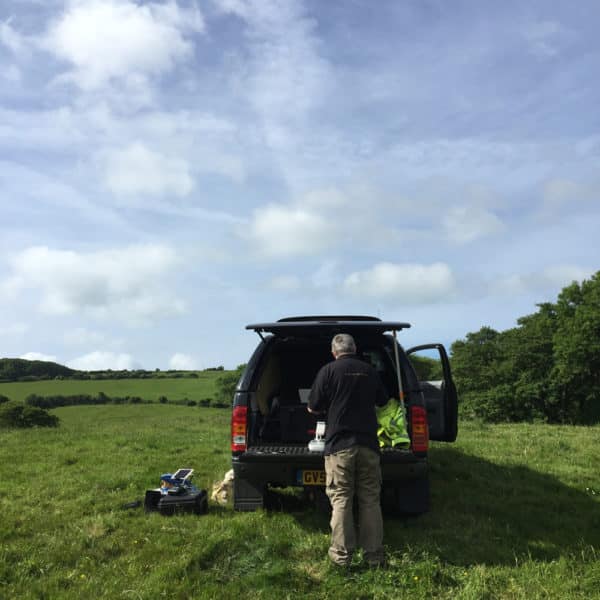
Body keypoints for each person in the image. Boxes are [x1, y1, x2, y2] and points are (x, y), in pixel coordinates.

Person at [308, 333, 388, 568]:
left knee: (341, 499)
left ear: (334, 352)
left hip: (339, 446)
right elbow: (383, 402)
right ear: (355, 349)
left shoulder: (328, 371)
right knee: (370, 499)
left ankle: (342, 558)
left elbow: (312, 407)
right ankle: (374, 556)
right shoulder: (370, 371)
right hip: (369, 445)